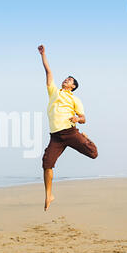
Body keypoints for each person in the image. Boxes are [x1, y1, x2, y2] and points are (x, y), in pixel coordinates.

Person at [38, 44, 98, 211]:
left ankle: (85, 138)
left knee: (93, 154)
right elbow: (49, 72)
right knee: (46, 164)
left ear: (73, 87)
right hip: (55, 136)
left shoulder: (75, 99)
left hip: (70, 132)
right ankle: (49, 194)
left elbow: (84, 118)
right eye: (66, 78)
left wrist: (77, 118)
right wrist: (43, 55)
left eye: (70, 80)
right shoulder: (54, 92)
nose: (66, 80)